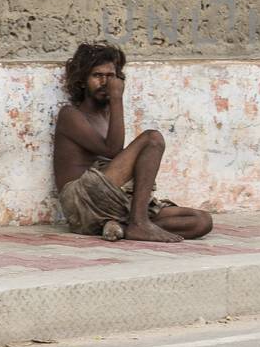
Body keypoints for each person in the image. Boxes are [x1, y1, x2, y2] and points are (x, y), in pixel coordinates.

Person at [53, 42, 214, 243]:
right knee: (152, 139)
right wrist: (117, 98)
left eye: (110, 76)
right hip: (82, 201)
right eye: (97, 76)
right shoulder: (70, 115)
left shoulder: (108, 115)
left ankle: (122, 227)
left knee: (201, 221)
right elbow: (113, 150)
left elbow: (116, 156)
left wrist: (114, 103)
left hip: (113, 201)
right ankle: (139, 223)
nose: (105, 82)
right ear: (83, 81)